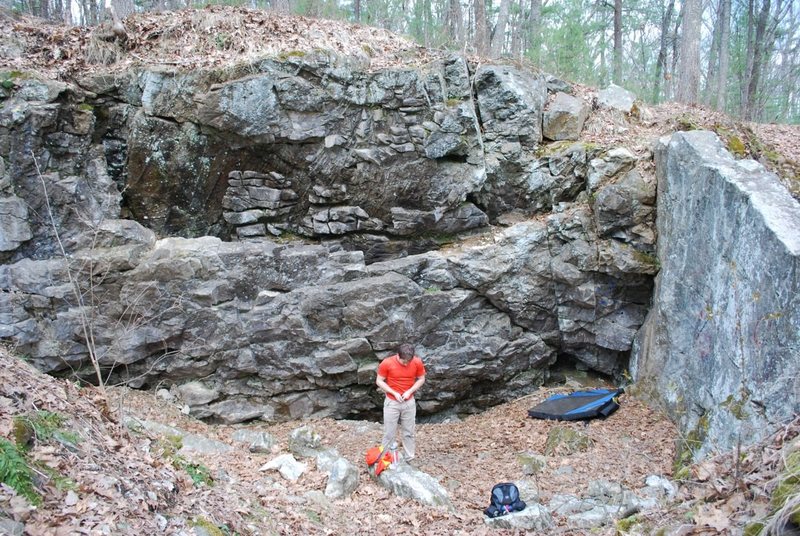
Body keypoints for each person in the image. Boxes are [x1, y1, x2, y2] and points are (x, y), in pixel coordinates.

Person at [376, 343, 426, 463]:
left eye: (409, 361)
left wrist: (410, 391)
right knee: (389, 433)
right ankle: (385, 458)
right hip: (392, 402)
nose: (406, 364)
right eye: (404, 361)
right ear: (398, 355)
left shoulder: (416, 362)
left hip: (409, 402)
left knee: (409, 432)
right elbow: (379, 381)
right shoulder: (387, 363)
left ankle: (409, 458)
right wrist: (394, 392)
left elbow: (421, 378)